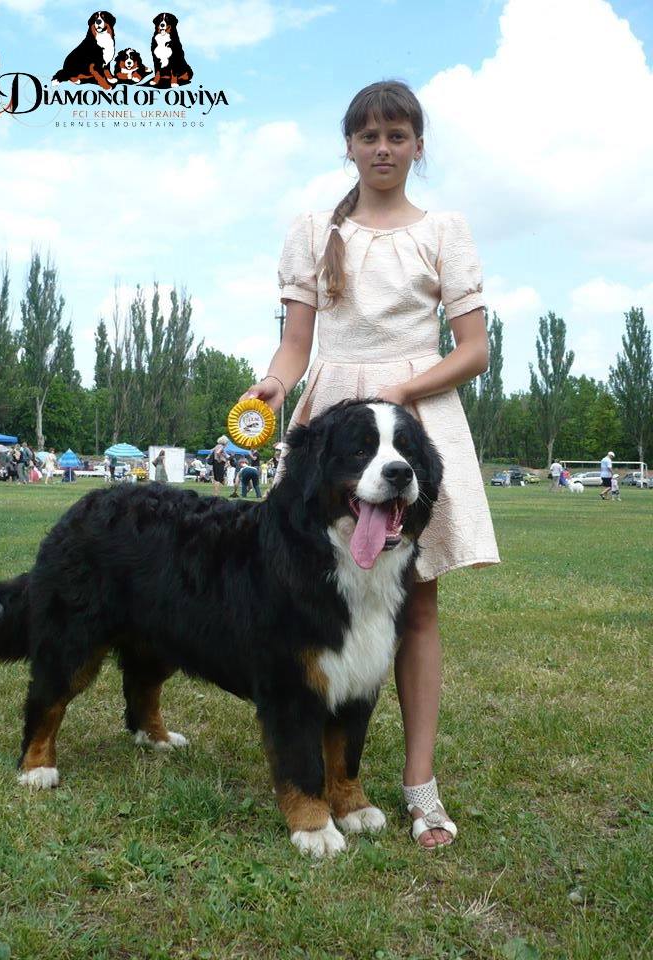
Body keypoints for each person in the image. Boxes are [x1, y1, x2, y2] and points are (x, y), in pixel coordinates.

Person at [238, 80, 500, 849]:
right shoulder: (315, 230)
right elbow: (296, 345)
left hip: (417, 417)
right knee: (313, 595)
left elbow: (475, 351)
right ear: (347, 145)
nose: (382, 148)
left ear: (419, 146)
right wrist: (274, 384)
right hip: (334, 429)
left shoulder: (445, 231)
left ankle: (420, 788)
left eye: (397, 135)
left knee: (415, 605)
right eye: (368, 135)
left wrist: (400, 389)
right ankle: (315, 760)